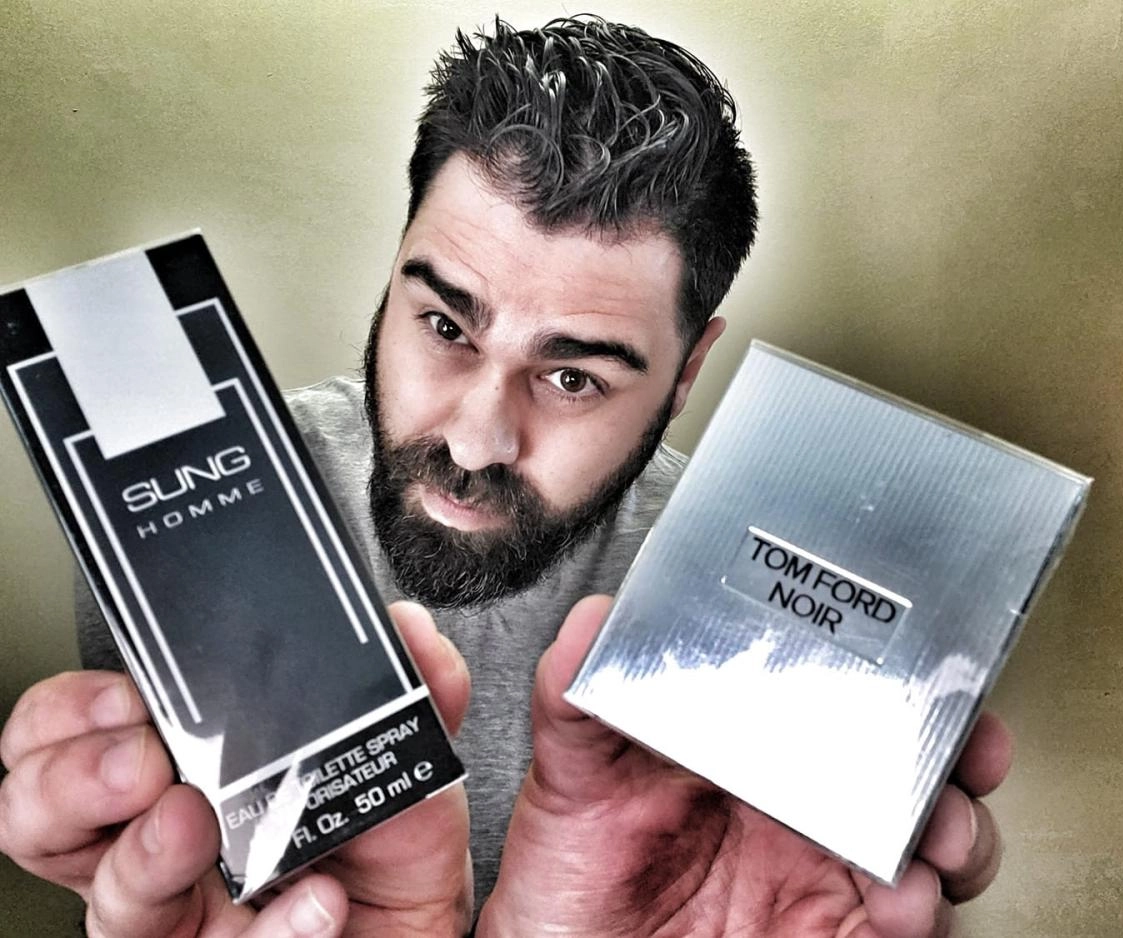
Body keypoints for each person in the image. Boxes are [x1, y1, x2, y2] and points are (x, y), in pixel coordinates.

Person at [0, 16, 1010, 937]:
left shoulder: (766, 619)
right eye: (446, 325)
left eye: (573, 377)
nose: (477, 442)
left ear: (686, 374)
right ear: (394, 270)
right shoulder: (196, 507)